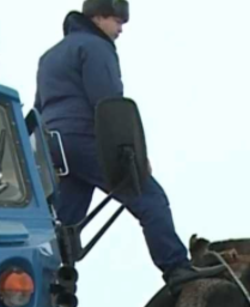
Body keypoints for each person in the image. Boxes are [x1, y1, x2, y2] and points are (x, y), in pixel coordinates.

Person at [34, 1, 197, 284]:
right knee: (151, 199)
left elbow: (39, 109)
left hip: (55, 150)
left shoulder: (49, 57)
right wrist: (132, 152)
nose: (121, 28)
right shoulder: (96, 48)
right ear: (98, 17)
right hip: (86, 140)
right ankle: (177, 270)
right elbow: (108, 104)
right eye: (118, 20)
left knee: (62, 230)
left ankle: (46, 287)